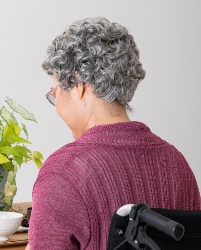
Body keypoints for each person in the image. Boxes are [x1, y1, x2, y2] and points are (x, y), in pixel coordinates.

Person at [26, 17, 201, 250]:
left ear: (79, 87)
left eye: (54, 92)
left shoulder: (63, 172)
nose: (55, 102)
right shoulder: (177, 164)